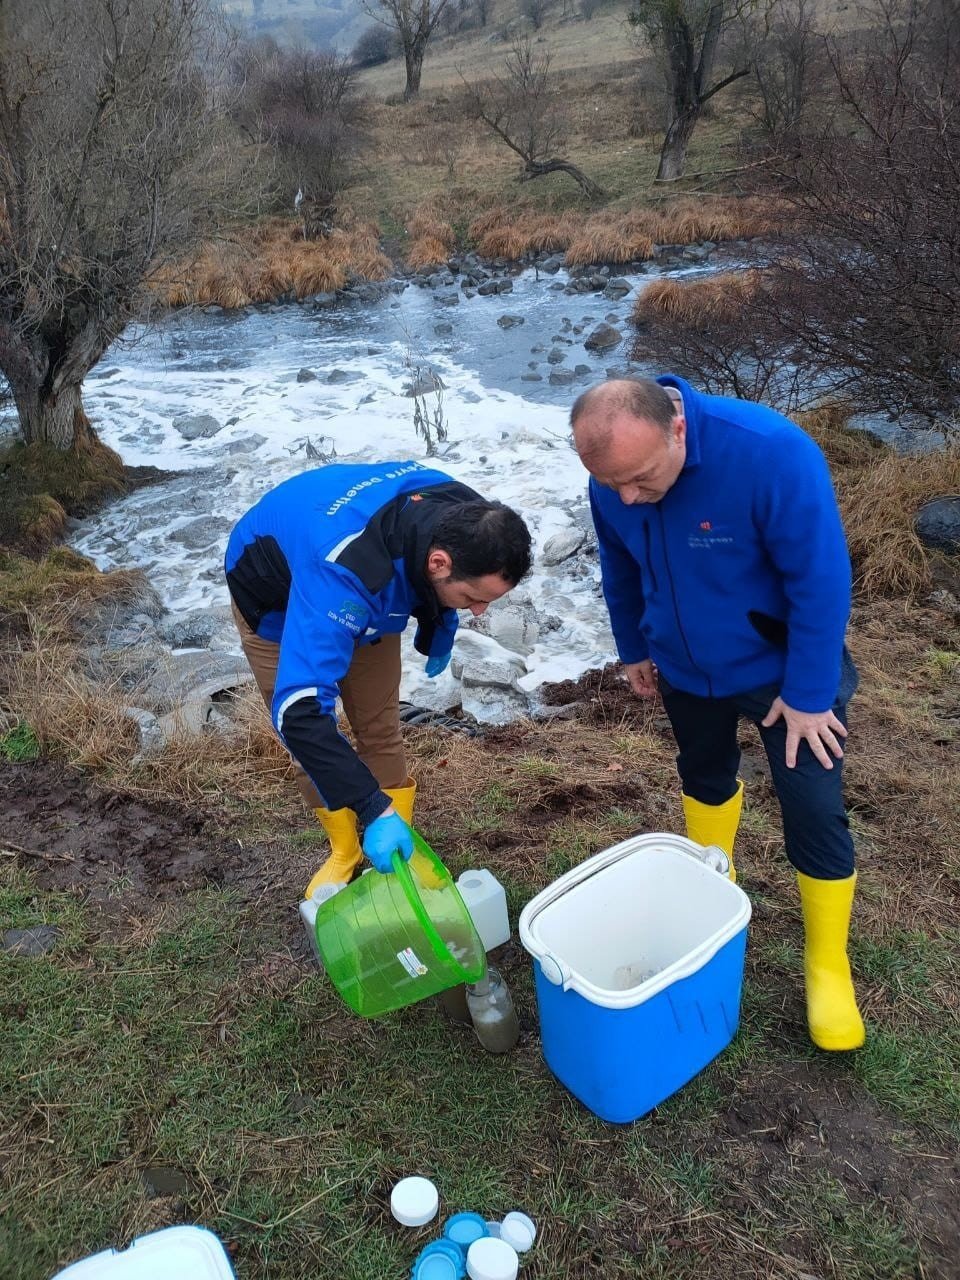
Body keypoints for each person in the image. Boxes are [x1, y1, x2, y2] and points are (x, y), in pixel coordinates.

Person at [571, 376, 865, 1052]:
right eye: (611, 484)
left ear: (678, 429)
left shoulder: (770, 453)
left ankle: (826, 963)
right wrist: (634, 648)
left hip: (782, 677)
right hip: (683, 666)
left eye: (640, 480)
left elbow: (821, 579)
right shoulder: (615, 474)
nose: (626, 497)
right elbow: (619, 565)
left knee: (814, 807)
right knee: (703, 773)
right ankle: (715, 881)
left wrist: (811, 692)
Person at [225, 460, 532, 897]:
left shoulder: (469, 516)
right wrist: (371, 807)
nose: (479, 612)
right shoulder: (346, 570)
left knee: (379, 725)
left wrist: (438, 626)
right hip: (273, 599)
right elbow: (300, 714)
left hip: (360, 582)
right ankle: (346, 850)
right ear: (439, 562)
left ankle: (399, 851)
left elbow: (432, 582)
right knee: (309, 736)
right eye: (472, 599)